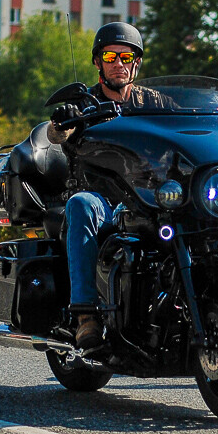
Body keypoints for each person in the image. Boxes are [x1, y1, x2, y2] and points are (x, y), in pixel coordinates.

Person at [47, 22, 172, 350]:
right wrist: (61, 121)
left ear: (136, 62)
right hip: (102, 197)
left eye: (126, 55)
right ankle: (86, 315)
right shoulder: (84, 103)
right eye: (110, 55)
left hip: (148, 197)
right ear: (98, 62)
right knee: (81, 205)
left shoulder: (156, 102)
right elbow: (56, 135)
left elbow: (191, 126)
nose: (118, 62)